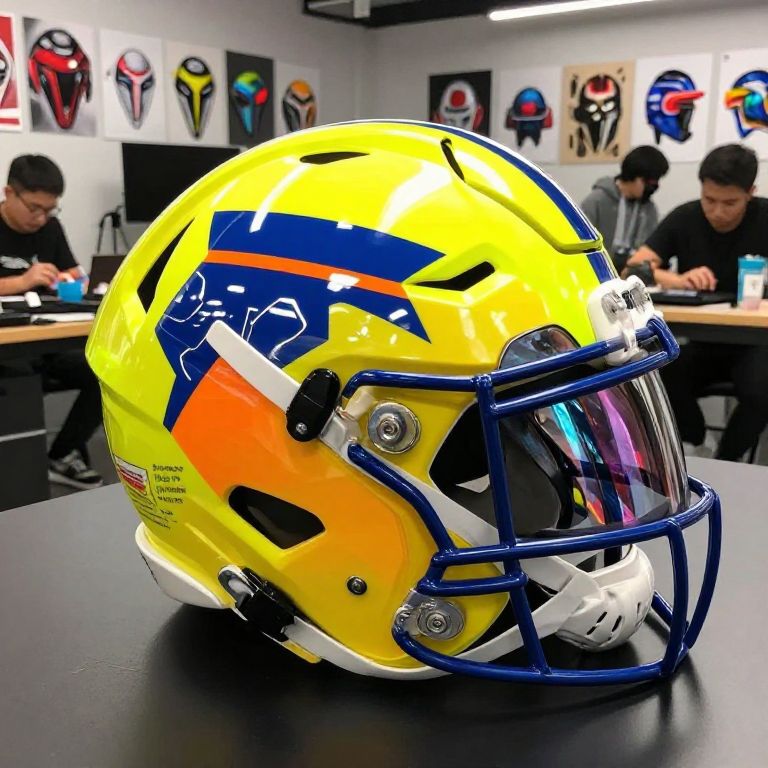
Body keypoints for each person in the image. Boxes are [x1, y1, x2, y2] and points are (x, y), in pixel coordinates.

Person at [626, 143, 768, 461]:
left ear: (750, 193)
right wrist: (677, 279)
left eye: (730, 203)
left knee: (761, 391)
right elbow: (633, 268)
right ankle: (698, 442)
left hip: (756, 343)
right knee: (657, 371)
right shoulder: (686, 217)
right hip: (703, 341)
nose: (717, 212)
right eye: (709, 200)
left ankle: (727, 460)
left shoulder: (764, 217)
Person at [0, 154, 104, 488]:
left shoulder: (50, 228)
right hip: (9, 347)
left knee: (102, 373)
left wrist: (70, 279)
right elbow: (23, 281)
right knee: (20, 376)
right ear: (9, 193)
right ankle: (19, 469)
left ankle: (62, 454)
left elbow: (73, 272)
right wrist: (22, 281)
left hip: (46, 339)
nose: (41, 217)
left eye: (50, 210)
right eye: (34, 208)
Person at [581, 145, 669, 272]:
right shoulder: (596, 201)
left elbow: (652, 250)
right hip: (597, 272)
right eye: (649, 184)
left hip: (631, 274)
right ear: (634, 176)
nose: (652, 190)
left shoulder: (649, 209)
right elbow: (581, 243)